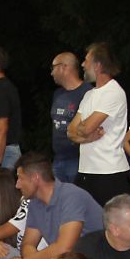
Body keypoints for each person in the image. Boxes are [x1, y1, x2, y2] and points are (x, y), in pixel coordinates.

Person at [67, 42, 130, 206]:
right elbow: (70, 131)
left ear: (98, 65)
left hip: (109, 172)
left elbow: (86, 127)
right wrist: (87, 138)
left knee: (111, 226)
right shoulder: (89, 95)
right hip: (86, 170)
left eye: (86, 60)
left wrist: (82, 130)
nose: (82, 64)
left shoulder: (113, 92)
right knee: (85, 225)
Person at [48, 52, 92, 184]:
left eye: (53, 68)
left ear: (64, 67)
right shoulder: (58, 94)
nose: (51, 73)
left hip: (78, 160)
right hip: (58, 160)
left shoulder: (88, 93)